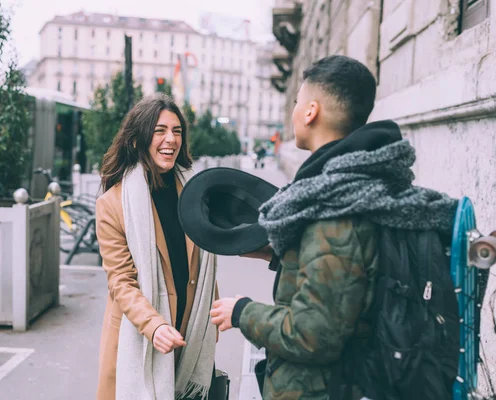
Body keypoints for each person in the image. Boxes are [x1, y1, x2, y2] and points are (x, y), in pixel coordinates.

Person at [210, 55, 459, 399]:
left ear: (311, 111)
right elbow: (354, 274)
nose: (294, 111)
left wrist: (241, 311)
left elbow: (314, 335)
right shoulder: (360, 187)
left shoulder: (333, 206)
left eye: (297, 103)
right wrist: (282, 257)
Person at [95, 93, 219, 400]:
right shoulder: (113, 204)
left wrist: (213, 310)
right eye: (160, 130)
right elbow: (121, 281)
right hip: (140, 334)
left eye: (177, 131)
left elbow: (205, 257)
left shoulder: (194, 192)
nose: (171, 139)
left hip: (188, 330)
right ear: (138, 139)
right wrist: (153, 326)